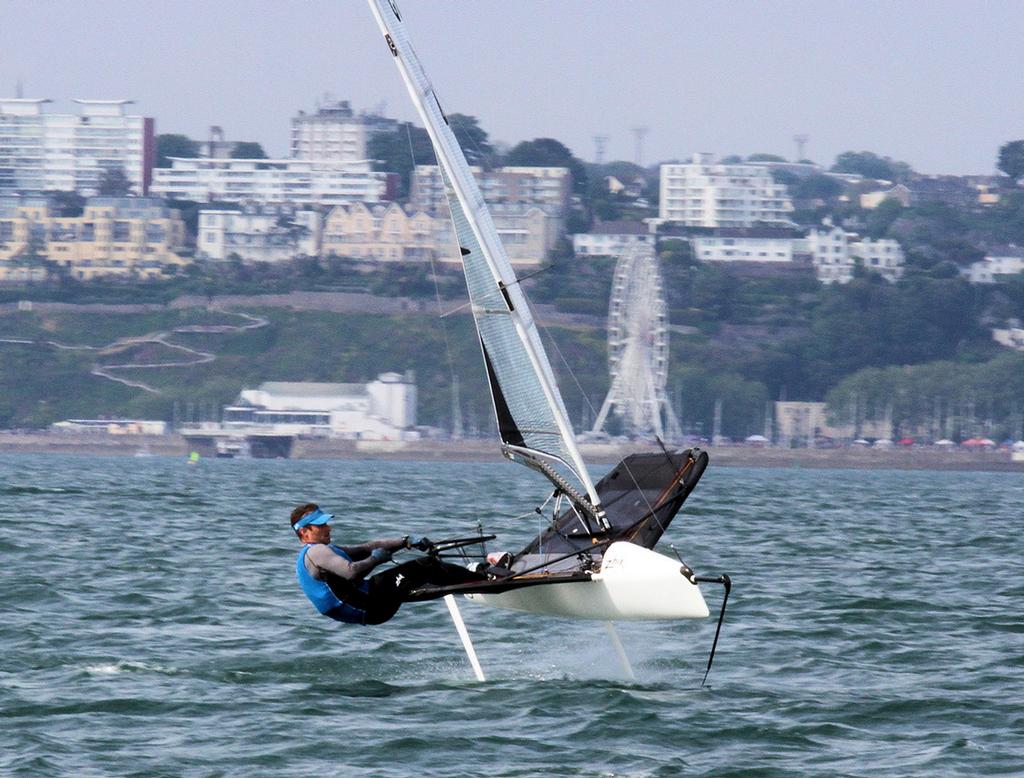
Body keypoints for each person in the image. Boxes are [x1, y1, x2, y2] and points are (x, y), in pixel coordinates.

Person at [291, 503, 489, 626]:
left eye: (326, 523)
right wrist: (377, 559)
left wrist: (406, 541)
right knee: (426, 566)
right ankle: (485, 578)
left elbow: (368, 547)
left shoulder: (323, 550)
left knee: (419, 578)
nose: (328, 527)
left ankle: (475, 580)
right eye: (321, 525)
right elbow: (351, 573)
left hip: (368, 605)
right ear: (304, 533)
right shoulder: (316, 552)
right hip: (368, 605)